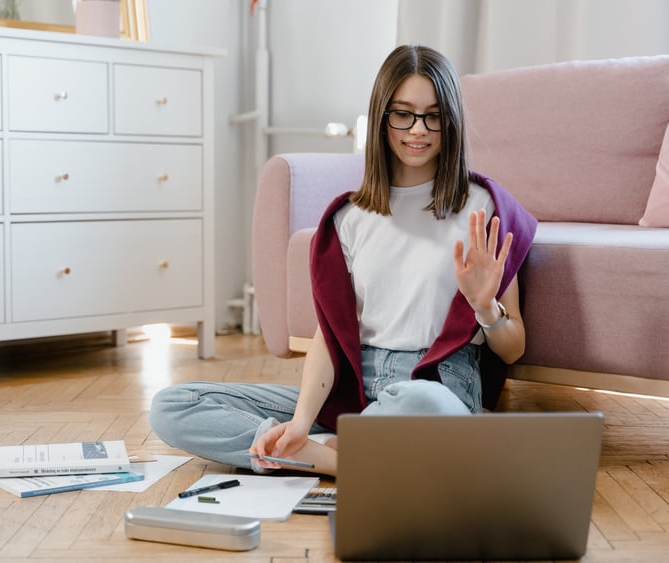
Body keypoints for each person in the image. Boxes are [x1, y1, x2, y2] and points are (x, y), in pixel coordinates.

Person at [149, 44, 537, 477]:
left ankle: (321, 458)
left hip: (438, 386)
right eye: (403, 113)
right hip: (353, 388)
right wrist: (299, 421)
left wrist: (487, 309)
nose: (418, 130)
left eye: (434, 115)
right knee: (173, 405)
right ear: (381, 116)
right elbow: (329, 337)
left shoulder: (484, 207)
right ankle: (322, 451)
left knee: (424, 404)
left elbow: (513, 345)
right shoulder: (351, 217)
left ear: (451, 119)